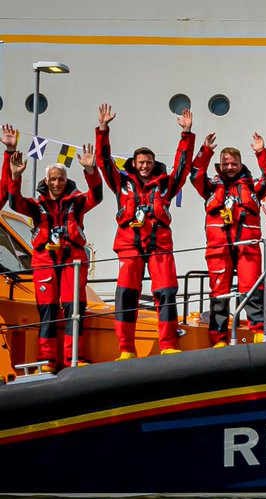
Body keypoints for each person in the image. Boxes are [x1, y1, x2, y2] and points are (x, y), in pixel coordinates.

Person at [96, 103, 195, 359]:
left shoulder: (165, 185)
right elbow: (104, 162)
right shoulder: (121, 183)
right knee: (127, 295)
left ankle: (168, 344)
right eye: (141, 162)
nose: (145, 166)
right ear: (133, 163)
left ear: (154, 163)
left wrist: (186, 134)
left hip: (159, 246)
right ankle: (126, 349)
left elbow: (182, 167)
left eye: (149, 162)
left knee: (166, 292)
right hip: (129, 247)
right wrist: (103, 129)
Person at [5, 135, 102, 371]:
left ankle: (73, 357)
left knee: (74, 309)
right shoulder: (35, 206)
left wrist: (91, 171)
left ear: (66, 180)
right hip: (45, 261)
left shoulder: (77, 203)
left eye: (60, 179)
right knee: (47, 309)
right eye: (53, 179)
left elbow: (96, 196)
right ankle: (47, 359)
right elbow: (13, 203)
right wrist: (15, 176)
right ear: (46, 181)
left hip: (72, 261)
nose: (57, 183)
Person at [191, 132, 266, 347]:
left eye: (234, 163)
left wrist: (261, 152)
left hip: (247, 248)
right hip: (219, 249)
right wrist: (206, 151)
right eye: (226, 163)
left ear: (241, 164)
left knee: (253, 289)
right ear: (219, 166)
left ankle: (258, 332)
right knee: (219, 294)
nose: (230, 167)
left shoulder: (254, 188)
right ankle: (219, 338)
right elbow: (194, 174)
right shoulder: (210, 187)